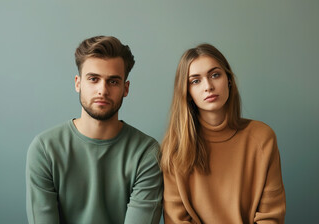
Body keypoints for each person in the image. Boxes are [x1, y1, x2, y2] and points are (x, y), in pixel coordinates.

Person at [26, 36, 163, 224]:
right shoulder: (44, 149)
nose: (102, 90)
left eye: (113, 81)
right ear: (78, 83)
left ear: (126, 88)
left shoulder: (146, 153)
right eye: (93, 79)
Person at [160, 44, 286, 223]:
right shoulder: (175, 149)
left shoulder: (262, 138)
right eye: (196, 81)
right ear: (187, 93)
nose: (208, 86)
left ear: (228, 79)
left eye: (215, 75)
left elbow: (271, 216)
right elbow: (177, 220)